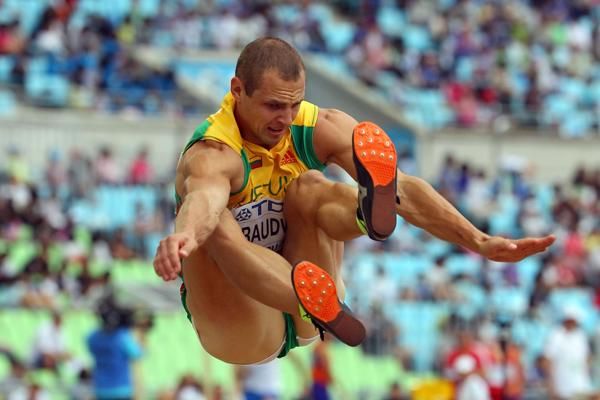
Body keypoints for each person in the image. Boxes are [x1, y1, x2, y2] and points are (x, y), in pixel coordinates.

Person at [152, 37, 555, 366]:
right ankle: (317, 300)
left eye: (295, 104)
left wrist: (478, 240)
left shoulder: (314, 125)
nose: (286, 118)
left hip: (308, 284)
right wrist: (183, 237)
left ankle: (366, 216)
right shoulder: (214, 151)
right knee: (217, 225)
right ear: (237, 90)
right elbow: (204, 200)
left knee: (310, 185)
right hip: (244, 325)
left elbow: (405, 189)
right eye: (274, 105)